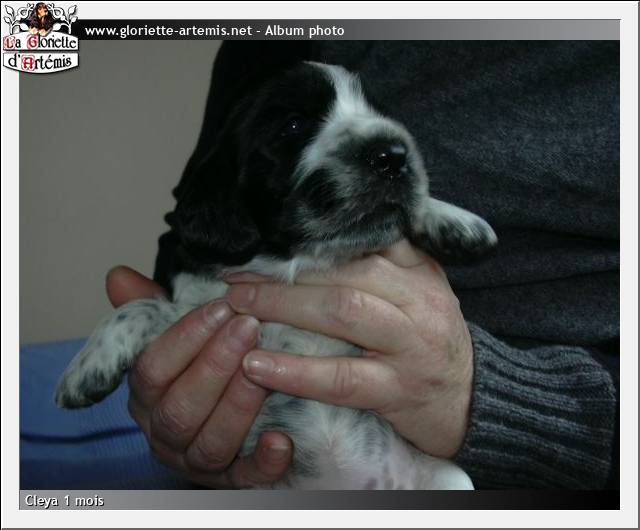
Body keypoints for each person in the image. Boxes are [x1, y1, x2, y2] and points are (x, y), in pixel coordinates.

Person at [107, 41, 619, 489]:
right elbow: (201, 222)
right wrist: (180, 397)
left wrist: (506, 401)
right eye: (296, 127)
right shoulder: (277, 33)